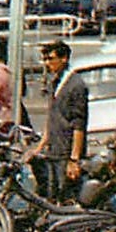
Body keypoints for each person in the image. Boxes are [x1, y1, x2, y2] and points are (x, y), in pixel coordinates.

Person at [36, 40, 88, 200]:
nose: (47, 63)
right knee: (52, 195)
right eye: (45, 59)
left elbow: (79, 124)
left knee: (68, 197)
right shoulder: (55, 83)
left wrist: (74, 159)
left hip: (66, 151)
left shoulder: (76, 85)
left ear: (64, 58)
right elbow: (51, 119)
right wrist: (39, 147)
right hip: (53, 151)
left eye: (50, 58)